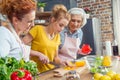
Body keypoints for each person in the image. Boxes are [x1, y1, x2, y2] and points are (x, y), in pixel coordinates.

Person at [22, 4, 70, 72]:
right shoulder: (37, 29)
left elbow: (55, 58)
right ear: (53, 20)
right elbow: (20, 47)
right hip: (36, 72)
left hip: (50, 71)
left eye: (64, 26)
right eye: (60, 25)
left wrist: (62, 62)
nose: (62, 29)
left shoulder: (57, 36)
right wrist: (38, 54)